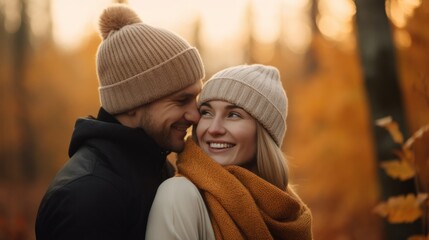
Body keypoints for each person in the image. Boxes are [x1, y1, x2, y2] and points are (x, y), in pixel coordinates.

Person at [35, 4, 205, 240]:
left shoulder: (153, 167)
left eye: (196, 97)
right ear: (132, 104)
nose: (195, 115)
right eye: (181, 100)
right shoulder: (87, 197)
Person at [146, 64, 313, 240]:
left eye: (233, 115)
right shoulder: (179, 196)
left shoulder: (291, 214)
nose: (214, 128)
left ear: (264, 134)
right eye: (207, 112)